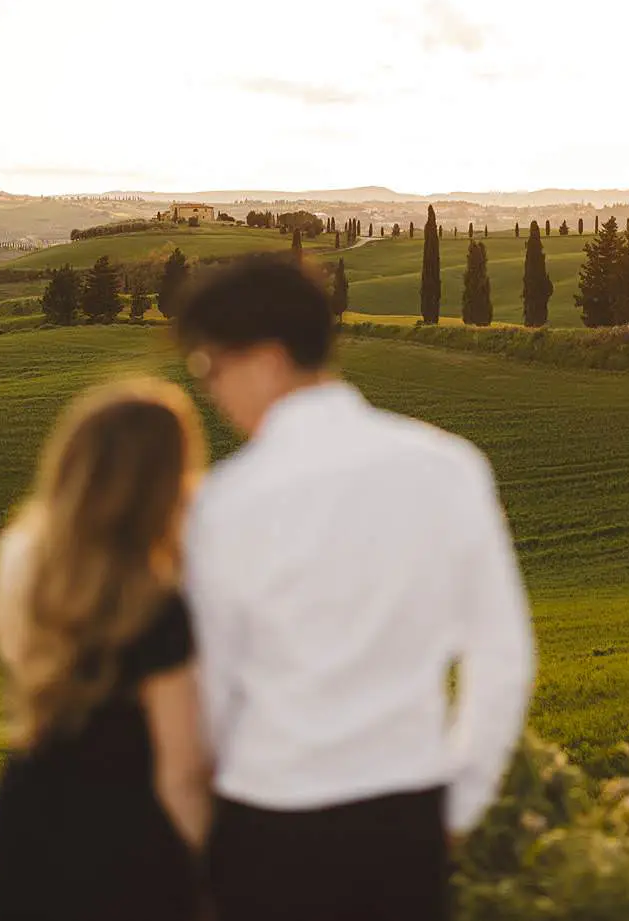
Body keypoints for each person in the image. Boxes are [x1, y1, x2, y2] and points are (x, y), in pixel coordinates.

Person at [177, 257, 536, 921]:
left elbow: (214, 691)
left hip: (266, 822)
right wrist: (458, 803)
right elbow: (502, 656)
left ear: (265, 358)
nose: (211, 391)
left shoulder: (226, 504)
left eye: (209, 367)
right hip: (404, 822)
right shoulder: (449, 468)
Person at [0, 378, 211, 921]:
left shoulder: (23, 567)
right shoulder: (159, 611)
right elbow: (181, 775)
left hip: (26, 821)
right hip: (128, 841)